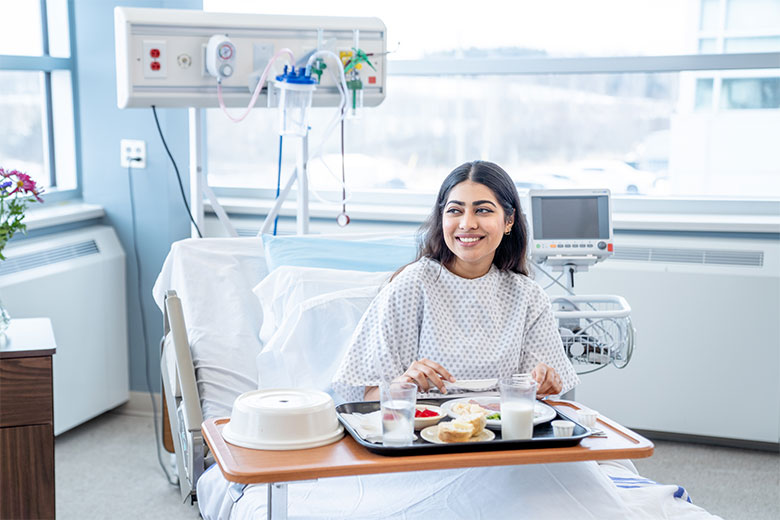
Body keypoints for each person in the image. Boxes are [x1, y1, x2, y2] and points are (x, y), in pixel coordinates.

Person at [333, 160, 579, 402]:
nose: (467, 224)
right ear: (441, 218)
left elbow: (540, 393)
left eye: (483, 210)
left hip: (503, 435)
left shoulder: (528, 297)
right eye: (455, 210)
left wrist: (547, 385)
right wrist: (403, 385)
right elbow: (367, 398)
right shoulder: (411, 287)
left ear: (509, 220)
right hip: (427, 434)